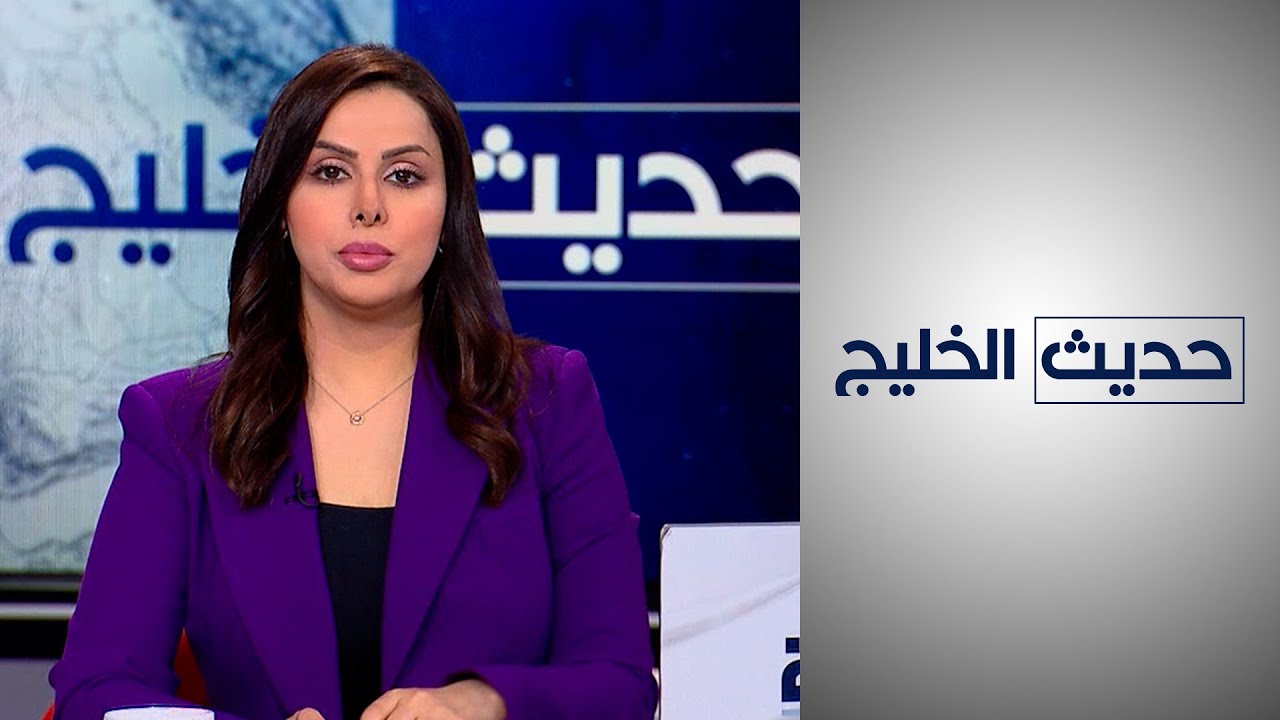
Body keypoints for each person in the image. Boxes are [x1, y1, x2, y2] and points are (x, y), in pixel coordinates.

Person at [49, 44, 656, 720]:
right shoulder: (178, 424)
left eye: (404, 176)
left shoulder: (546, 400)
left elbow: (620, 682)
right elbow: (95, 692)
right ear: (282, 205)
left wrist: (485, 703)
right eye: (331, 172)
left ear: (449, 212)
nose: (368, 207)